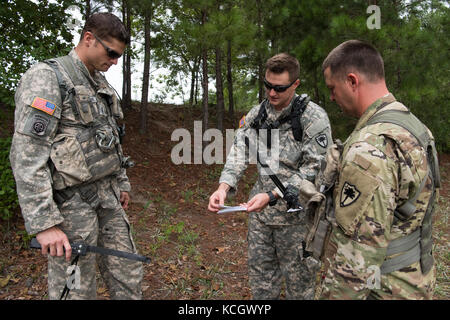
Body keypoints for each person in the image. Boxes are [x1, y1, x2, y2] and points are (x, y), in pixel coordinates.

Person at [10, 12, 143, 300]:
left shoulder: (102, 86)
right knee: (75, 289)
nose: (116, 61)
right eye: (111, 53)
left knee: (129, 276)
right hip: (71, 208)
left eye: (120, 55)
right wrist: (44, 223)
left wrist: (122, 183)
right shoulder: (48, 78)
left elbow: (111, 139)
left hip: (108, 200)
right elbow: (27, 154)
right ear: (88, 39)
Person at [316, 40, 439, 299]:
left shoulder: (369, 148)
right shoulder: (413, 126)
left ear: (352, 81)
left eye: (332, 88)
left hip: (382, 288)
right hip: (414, 280)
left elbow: (356, 262)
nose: (331, 97)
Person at [208, 53, 332, 299]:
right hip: (261, 220)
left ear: (295, 84)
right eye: (267, 86)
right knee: (262, 286)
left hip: (298, 221)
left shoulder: (314, 119)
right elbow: (239, 152)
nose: (272, 93)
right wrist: (223, 188)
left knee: (300, 289)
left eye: (279, 88)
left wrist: (273, 195)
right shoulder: (257, 115)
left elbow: (315, 169)